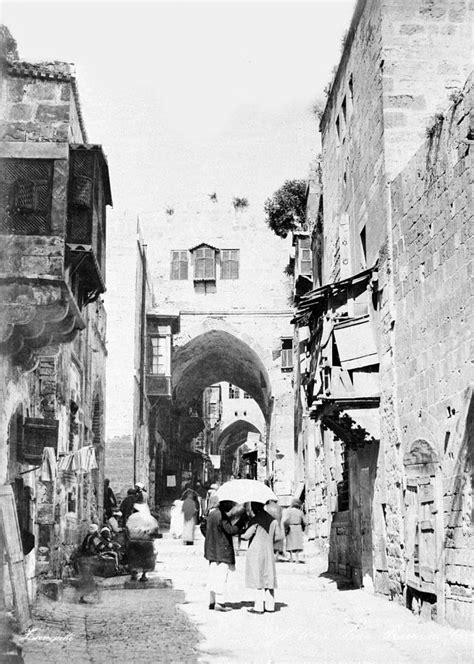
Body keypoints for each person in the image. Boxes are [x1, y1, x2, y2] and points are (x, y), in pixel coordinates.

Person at [204, 499, 247, 612]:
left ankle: (212, 601)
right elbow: (230, 530)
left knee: (212, 575)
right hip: (222, 550)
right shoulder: (221, 515)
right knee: (221, 576)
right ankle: (220, 603)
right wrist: (241, 521)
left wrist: (211, 537)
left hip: (212, 549)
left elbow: (203, 527)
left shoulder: (211, 514)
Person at [241, 502, 282, 614]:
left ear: (254, 508)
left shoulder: (255, 520)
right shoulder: (272, 520)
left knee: (257, 577)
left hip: (256, 551)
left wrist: (240, 533)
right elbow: (279, 536)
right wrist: (269, 541)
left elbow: (246, 536)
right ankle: (270, 605)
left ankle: (258, 606)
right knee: (269, 577)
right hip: (268, 550)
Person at [125, 502, 159, 582]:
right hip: (146, 541)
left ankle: (134, 572)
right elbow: (155, 529)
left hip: (133, 541)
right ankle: (144, 575)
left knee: (133, 557)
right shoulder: (150, 518)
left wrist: (129, 538)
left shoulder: (131, 517)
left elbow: (127, 529)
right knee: (146, 558)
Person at [283, 498, 306, 563]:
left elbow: (285, 520)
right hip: (298, 528)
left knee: (290, 542)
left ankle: (291, 558)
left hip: (290, 527)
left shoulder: (288, 511)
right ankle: (297, 559)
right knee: (297, 543)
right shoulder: (300, 512)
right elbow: (305, 521)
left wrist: (285, 527)